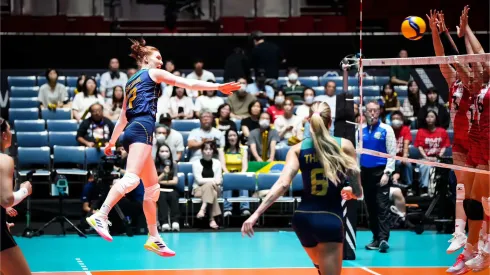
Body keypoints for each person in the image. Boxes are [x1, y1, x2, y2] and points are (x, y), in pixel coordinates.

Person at [85, 38, 240, 257]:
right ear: (145, 59)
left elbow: (121, 118)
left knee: (152, 189)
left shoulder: (130, 82)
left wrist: (112, 142)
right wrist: (217, 87)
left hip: (132, 129)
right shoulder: (152, 73)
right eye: (158, 57)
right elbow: (188, 84)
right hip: (143, 128)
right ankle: (101, 215)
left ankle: (154, 237)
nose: (161, 61)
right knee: (131, 179)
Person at [241, 102, 362, 275]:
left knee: (321, 269)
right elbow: (358, 192)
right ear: (330, 122)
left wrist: (256, 214)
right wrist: (351, 192)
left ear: (309, 121)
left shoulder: (297, 149)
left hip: (303, 221)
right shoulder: (344, 146)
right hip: (329, 220)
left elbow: (282, 184)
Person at [426, 9, 484, 274]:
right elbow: (440, 59)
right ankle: (460, 233)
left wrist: (459, 37)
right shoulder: (454, 84)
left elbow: (477, 59)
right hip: (460, 142)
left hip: (479, 141)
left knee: (480, 196)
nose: (461, 68)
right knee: (463, 191)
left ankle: (480, 241)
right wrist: (437, 34)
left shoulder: (476, 86)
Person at [0, 118, 33, 275]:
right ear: (3, 135)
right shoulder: (4, 160)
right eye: (9, 129)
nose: (11, 132)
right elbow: (6, 200)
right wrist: (24, 190)